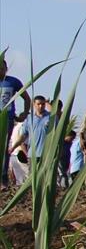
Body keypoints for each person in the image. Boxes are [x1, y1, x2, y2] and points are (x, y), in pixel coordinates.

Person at [0, 53, 30, 187]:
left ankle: (3, 178)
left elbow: (27, 98)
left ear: (6, 69)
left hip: (7, 118)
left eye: (2, 67)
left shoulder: (13, 81)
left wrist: (24, 113)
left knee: (5, 147)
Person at [9, 95, 53, 163]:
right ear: (34, 104)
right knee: (32, 173)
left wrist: (48, 104)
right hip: (33, 155)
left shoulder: (51, 117)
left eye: (43, 104)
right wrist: (13, 147)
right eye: (38, 104)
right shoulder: (29, 118)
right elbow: (23, 136)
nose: (41, 106)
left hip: (47, 155)